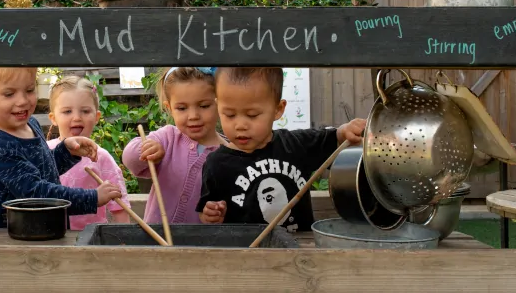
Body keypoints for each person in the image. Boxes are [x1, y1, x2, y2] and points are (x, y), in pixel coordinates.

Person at [196, 67, 365, 232]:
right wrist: (210, 214)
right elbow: (207, 212)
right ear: (218, 107)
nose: (240, 125)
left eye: (252, 115)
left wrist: (345, 131)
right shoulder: (216, 164)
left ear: (278, 109)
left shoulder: (297, 144)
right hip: (246, 254)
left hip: (299, 252)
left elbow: (333, 138)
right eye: (230, 115)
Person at [0, 67, 122, 228]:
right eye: (9, 94)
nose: (22, 101)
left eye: (29, 90)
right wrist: (92, 198)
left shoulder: (30, 124)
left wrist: (65, 152)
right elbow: (36, 195)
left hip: (47, 232)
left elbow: (42, 170)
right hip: (17, 240)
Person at [122, 67, 227, 224]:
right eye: (182, 108)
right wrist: (147, 149)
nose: (193, 116)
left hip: (199, 245)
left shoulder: (229, 154)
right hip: (156, 241)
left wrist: (216, 211)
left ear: (220, 104)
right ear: (169, 108)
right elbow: (130, 160)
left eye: (204, 106)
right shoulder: (167, 138)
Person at [46, 75, 131, 229]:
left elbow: (119, 205)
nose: (77, 118)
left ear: (97, 116)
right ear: (53, 118)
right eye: (67, 111)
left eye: (85, 111)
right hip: (50, 239)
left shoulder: (101, 157)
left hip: (92, 240)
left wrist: (124, 239)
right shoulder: (45, 152)